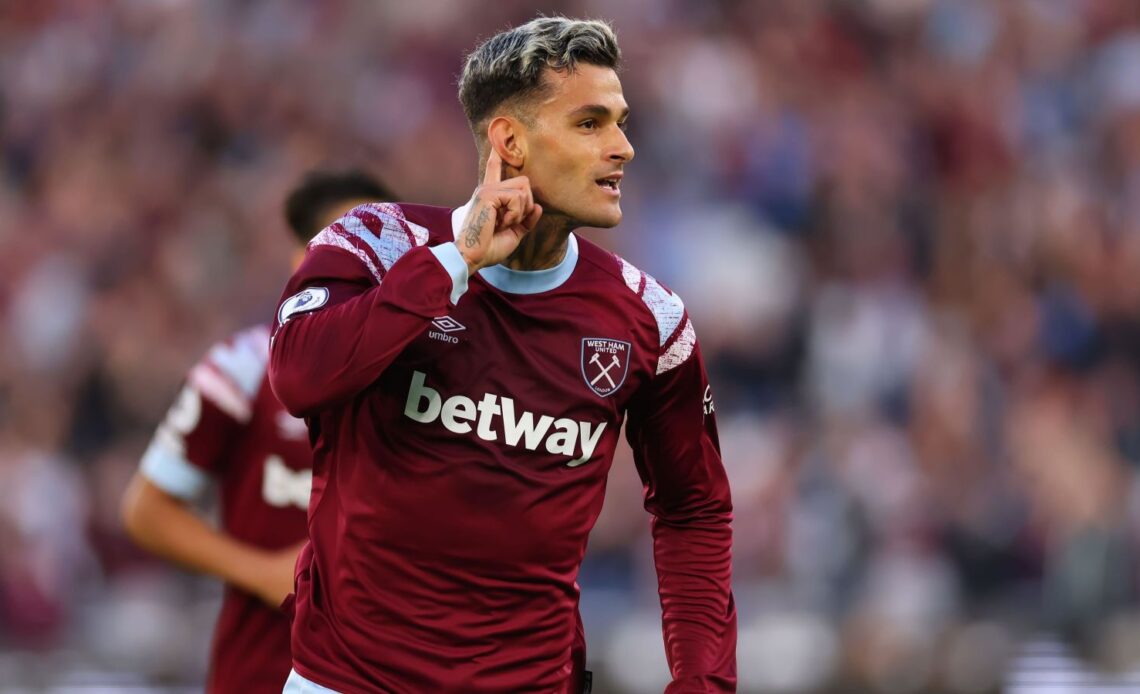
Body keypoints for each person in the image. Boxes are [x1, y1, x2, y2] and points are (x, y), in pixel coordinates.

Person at [270, 16, 736, 694]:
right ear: (510, 141)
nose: (624, 148)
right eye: (590, 123)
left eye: (621, 122)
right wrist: (456, 262)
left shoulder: (650, 321)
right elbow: (298, 376)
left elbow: (694, 508)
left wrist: (704, 683)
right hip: (346, 682)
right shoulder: (376, 243)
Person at [120, 170, 395, 694]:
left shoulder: (434, 378)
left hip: (390, 670)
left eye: (384, 242)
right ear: (304, 261)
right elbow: (146, 510)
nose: (370, 260)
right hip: (262, 670)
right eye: (349, 241)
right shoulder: (242, 368)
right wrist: (264, 571)